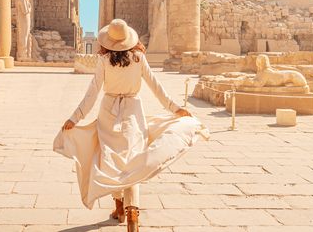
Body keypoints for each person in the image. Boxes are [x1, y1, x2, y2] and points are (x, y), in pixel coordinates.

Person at [53, 19, 209, 231]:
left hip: (108, 113)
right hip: (134, 114)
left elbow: (92, 93)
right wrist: (175, 108)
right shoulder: (139, 58)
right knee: (132, 160)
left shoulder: (104, 61)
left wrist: (75, 118)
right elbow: (156, 85)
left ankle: (119, 206)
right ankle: (131, 211)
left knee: (112, 161)